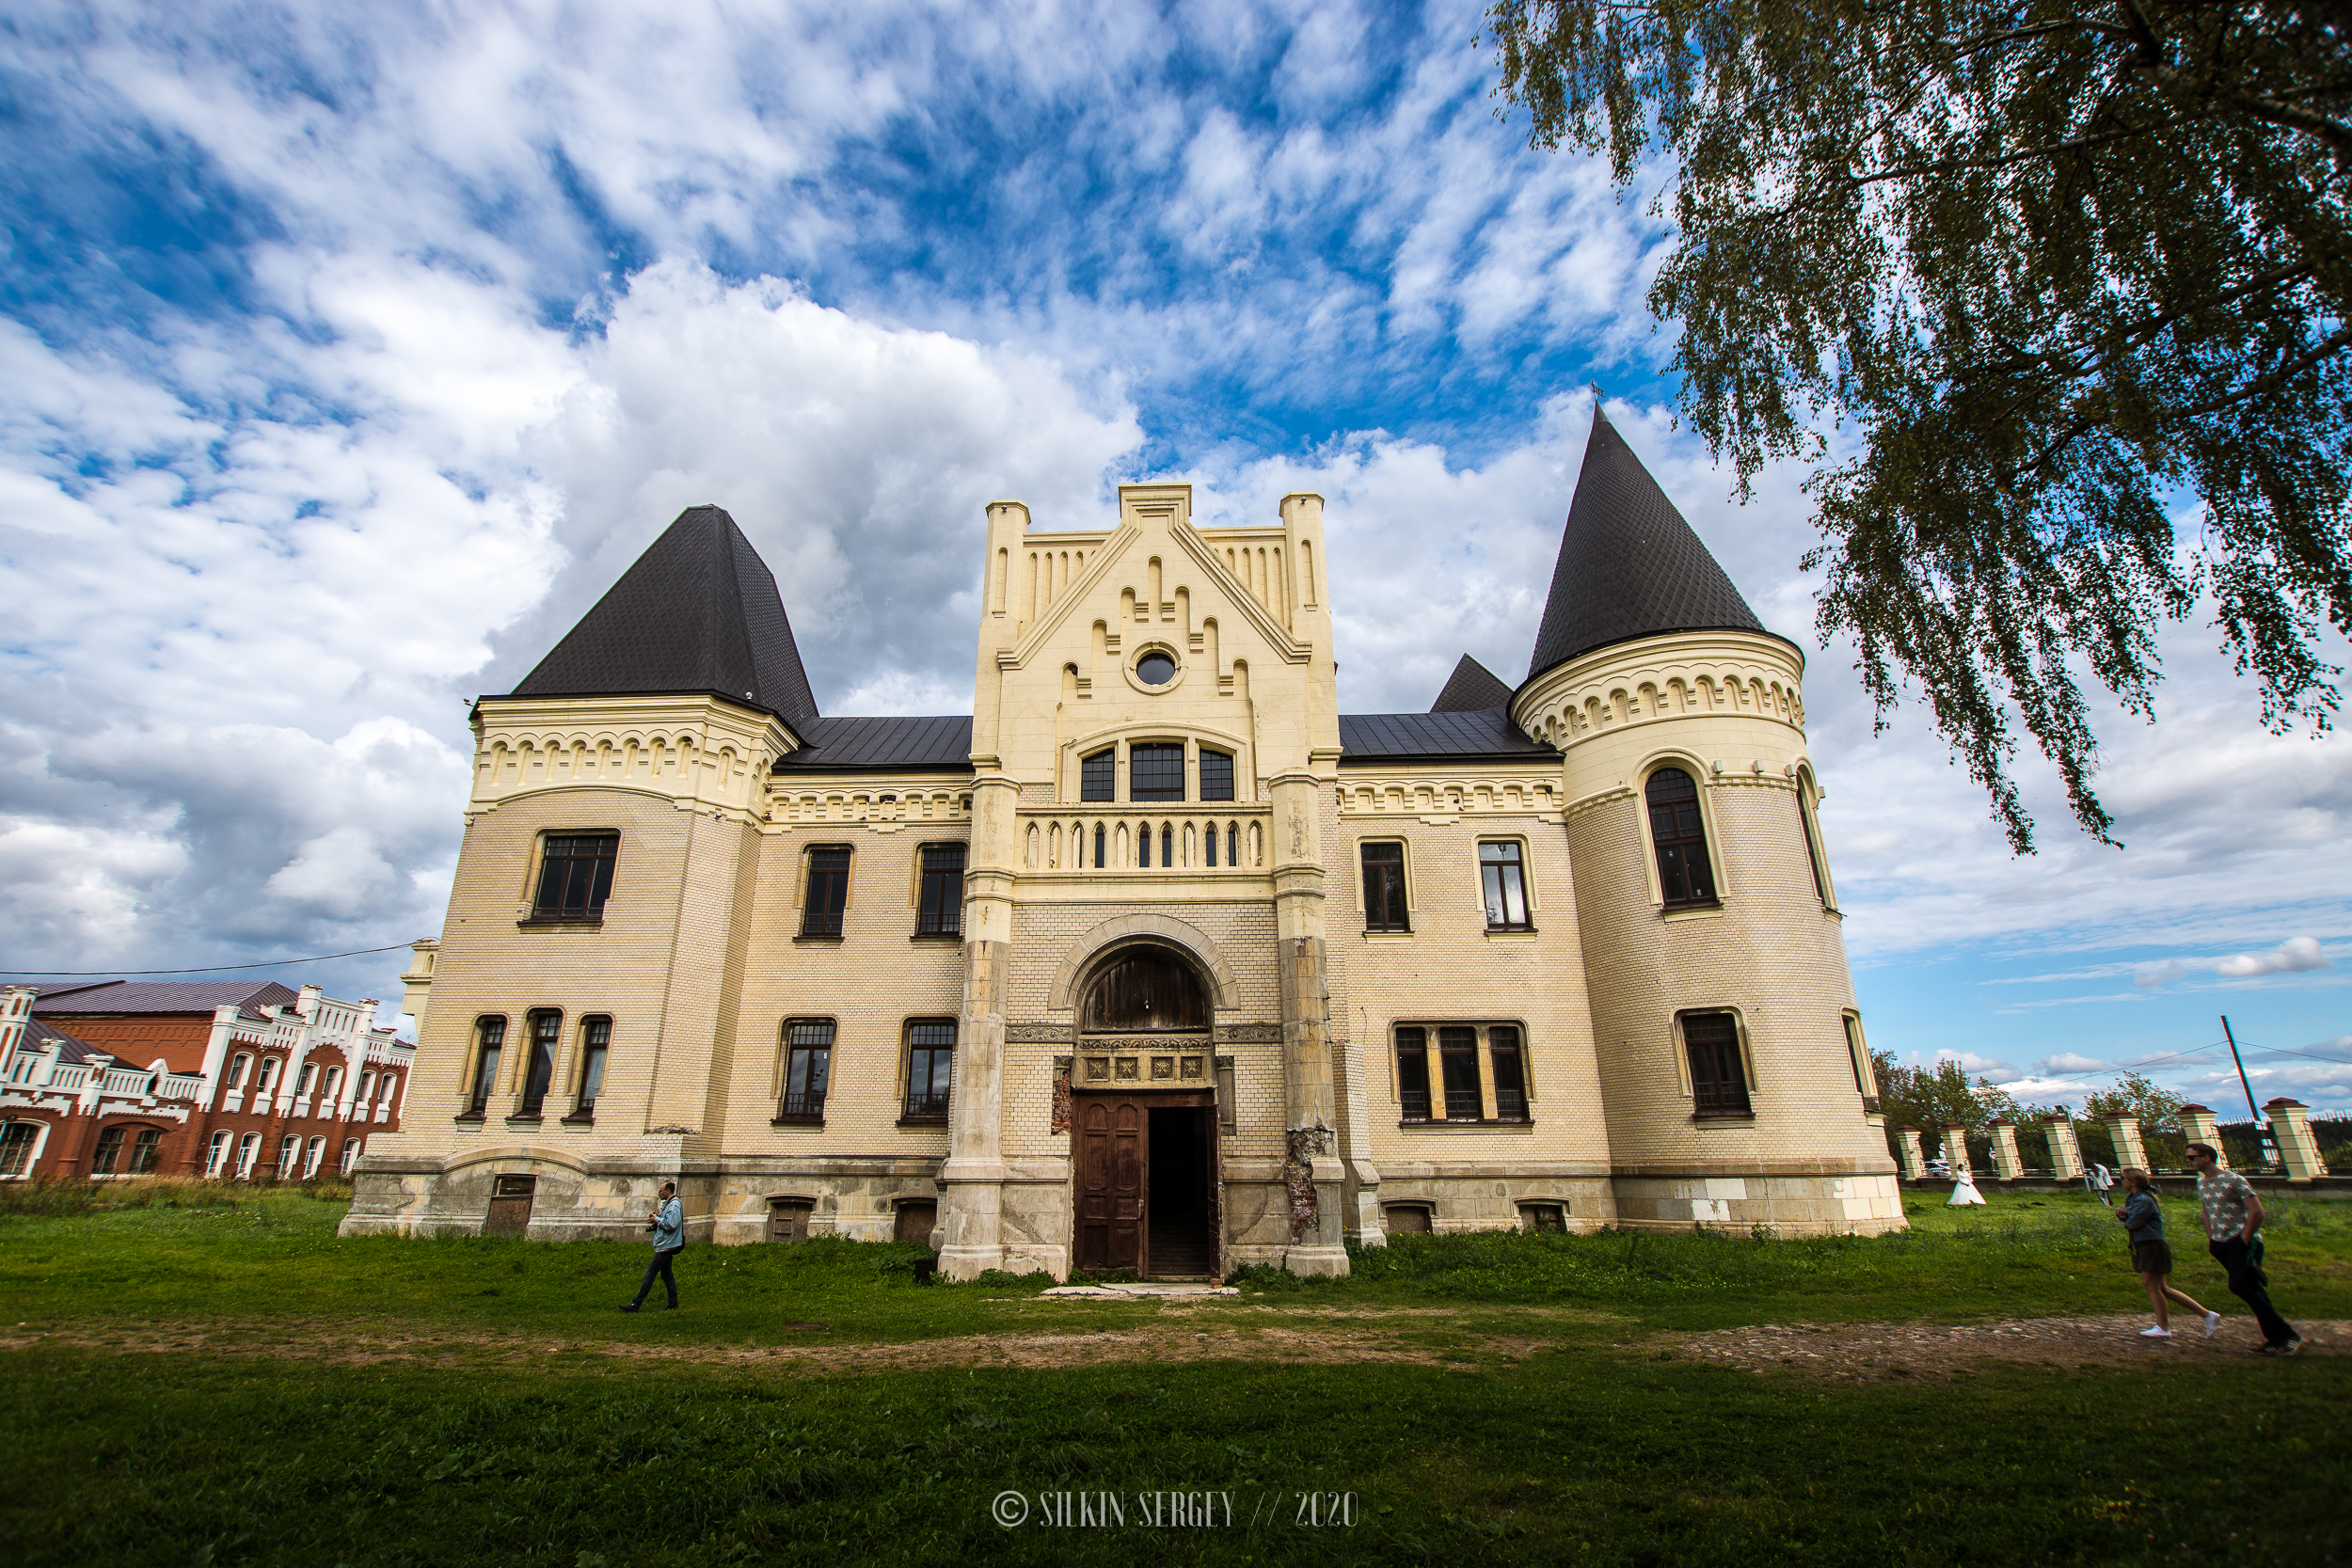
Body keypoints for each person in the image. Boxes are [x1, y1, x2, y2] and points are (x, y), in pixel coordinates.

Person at [2185, 1142, 2299, 1354]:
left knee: (2242, 1286)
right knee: (2251, 1290)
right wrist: (2212, 1239)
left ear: (2207, 1157)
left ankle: (2287, 1335)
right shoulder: (2201, 1183)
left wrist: (2244, 1239)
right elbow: (2206, 1211)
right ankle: (2277, 1338)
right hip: (2221, 1244)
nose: (2189, 1161)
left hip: (2243, 1243)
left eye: (2192, 1157)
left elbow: (2257, 1212)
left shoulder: (2234, 1180)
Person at [2112, 1168, 2217, 1339]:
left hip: (2151, 1246)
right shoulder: (2135, 1198)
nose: (2120, 1180)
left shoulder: (2143, 1200)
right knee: (2163, 1288)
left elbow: (2134, 1223)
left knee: (2151, 1286)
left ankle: (2163, 1327)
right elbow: (2133, 1219)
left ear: (2134, 1182)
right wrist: (2125, 1216)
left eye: (2122, 1178)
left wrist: (2125, 1216)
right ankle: (2207, 1315)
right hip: (2147, 1245)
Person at [620, 1180, 684, 1312]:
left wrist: (657, 1220)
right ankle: (673, 1303)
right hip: (666, 1243)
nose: (659, 1193)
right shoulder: (669, 1204)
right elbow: (666, 1222)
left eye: (661, 1190)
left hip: (666, 1245)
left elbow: (671, 1224)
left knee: (650, 1273)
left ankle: (635, 1304)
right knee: (666, 1274)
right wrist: (657, 1219)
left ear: (668, 1191)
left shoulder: (675, 1205)